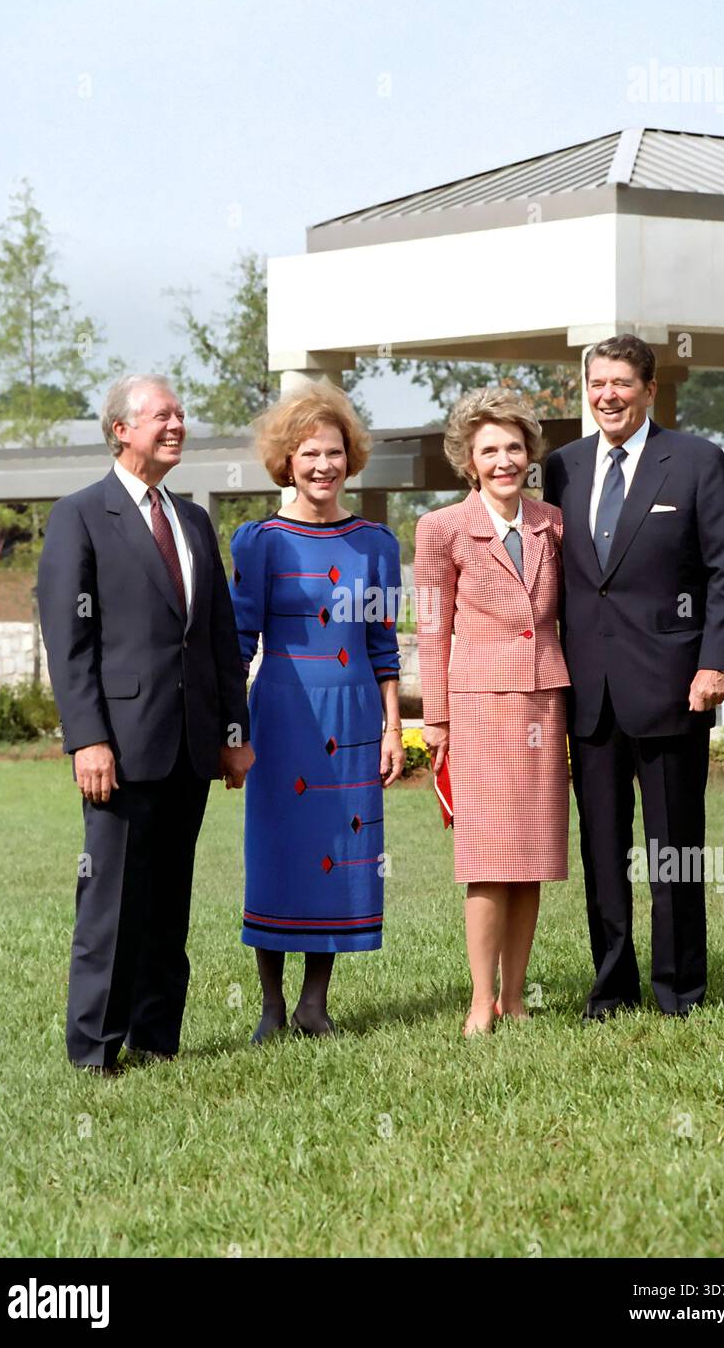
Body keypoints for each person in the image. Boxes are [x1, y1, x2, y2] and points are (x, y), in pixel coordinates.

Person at [38, 374, 253, 1074]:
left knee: (168, 902)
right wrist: (88, 738)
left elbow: (218, 634)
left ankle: (157, 1041)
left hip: (191, 746)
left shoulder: (192, 521)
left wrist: (233, 732)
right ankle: (94, 1050)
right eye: (162, 415)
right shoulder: (79, 516)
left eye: (182, 415)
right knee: (111, 902)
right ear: (120, 430)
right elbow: (68, 645)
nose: (177, 425)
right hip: (120, 748)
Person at [543, 335, 724, 1021]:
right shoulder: (560, 469)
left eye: (623, 383)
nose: (608, 395)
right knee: (603, 853)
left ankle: (679, 989)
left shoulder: (694, 462)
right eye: (598, 383)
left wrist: (715, 662)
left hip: (672, 689)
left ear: (650, 390)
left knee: (675, 852)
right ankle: (611, 988)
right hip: (588, 696)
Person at [229, 382, 404, 1043]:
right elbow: (239, 642)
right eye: (309, 454)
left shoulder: (377, 545)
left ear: (349, 457)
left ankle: (315, 1005)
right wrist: (232, 730)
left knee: (340, 849)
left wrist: (394, 728)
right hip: (281, 714)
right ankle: (271, 1007)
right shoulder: (259, 541)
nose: (323, 465)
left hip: (355, 714)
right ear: (287, 461)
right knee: (280, 852)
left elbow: (384, 646)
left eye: (334, 452)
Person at [414, 388, 570, 1037]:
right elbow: (430, 627)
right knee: (485, 860)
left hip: (545, 701)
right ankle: (481, 1001)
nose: (503, 460)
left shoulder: (554, 522)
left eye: (513, 447)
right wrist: (436, 718)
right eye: (489, 450)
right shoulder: (440, 528)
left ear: (529, 454)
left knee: (530, 858)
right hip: (476, 707)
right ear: (468, 461)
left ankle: (517, 998)